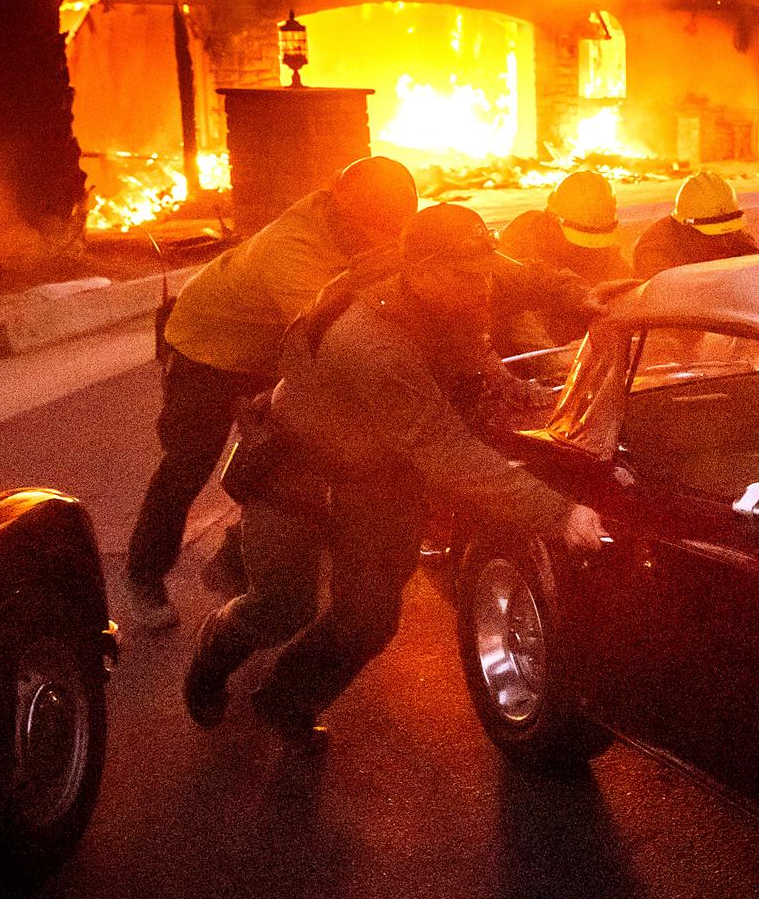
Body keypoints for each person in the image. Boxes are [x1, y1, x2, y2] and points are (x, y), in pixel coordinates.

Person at [182, 204, 607, 746]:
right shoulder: (372, 345)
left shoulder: (447, 273)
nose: (483, 287)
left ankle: (290, 695)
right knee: (280, 606)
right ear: (423, 271)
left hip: (378, 472)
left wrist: (574, 294)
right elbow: (446, 451)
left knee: (370, 617)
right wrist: (558, 512)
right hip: (297, 466)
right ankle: (212, 655)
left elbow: (512, 270)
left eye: (481, 270)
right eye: (466, 276)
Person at [124, 156, 418, 632]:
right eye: (376, 231)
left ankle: (237, 557)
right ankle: (143, 576)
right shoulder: (293, 252)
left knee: (293, 455)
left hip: (271, 345)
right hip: (207, 348)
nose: (385, 242)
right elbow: (336, 336)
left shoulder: (360, 212)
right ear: (346, 212)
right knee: (188, 464)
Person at [495, 168, 632, 352]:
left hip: (584, 344)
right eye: (578, 238)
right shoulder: (522, 239)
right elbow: (521, 317)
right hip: (542, 350)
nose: (586, 248)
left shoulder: (603, 244)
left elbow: (623, 290)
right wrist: (559, 362)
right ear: (552, 220)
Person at [632, 170, 759, 278]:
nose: (724, 243)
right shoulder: (655, 250)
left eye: (727, 233)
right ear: (685, 227)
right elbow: (667, 302)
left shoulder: (734, 236)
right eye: (713, 235)